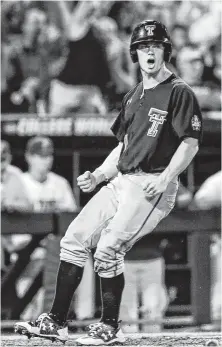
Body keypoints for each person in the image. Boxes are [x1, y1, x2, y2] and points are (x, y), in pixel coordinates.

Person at [15, 20, 202, 345]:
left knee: (107, 249)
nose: (149, 51)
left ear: (165, 50)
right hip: (122, 180)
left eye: (155, 45)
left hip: (152, 184)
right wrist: (101, 174)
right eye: (143, 47)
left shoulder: (179, 91)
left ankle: (110, 326)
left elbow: (190, 142)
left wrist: (165, 178)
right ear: (135, 53)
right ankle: (56, 321)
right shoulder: (133, 96)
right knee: (73, 239)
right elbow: (123, 147)